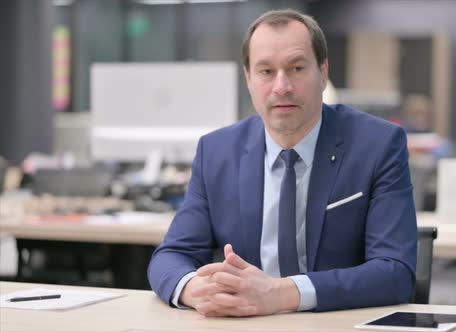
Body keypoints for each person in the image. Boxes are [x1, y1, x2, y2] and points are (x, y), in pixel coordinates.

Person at [148, 9, 417, 317]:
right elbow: (172, 255)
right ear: (248, 78)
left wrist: (282, 294)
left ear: (323, 71)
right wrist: (194, 289)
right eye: (265, 71)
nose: (281, 86)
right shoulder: (217, 151)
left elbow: (395, 273)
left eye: (296, 68)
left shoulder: (378, 145)